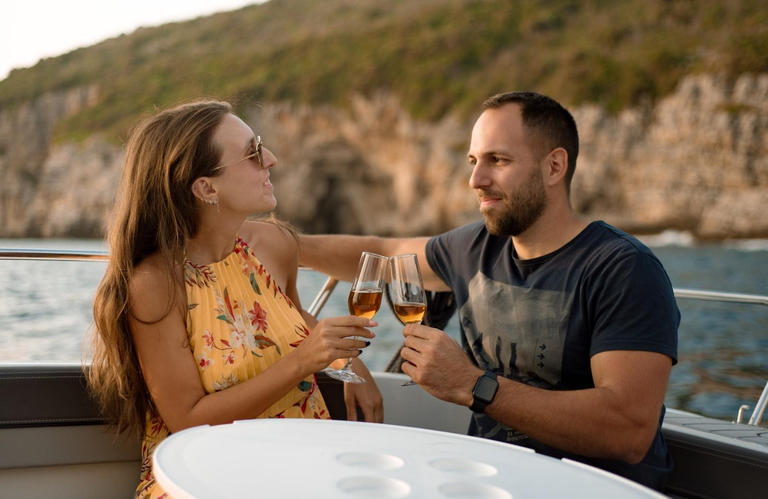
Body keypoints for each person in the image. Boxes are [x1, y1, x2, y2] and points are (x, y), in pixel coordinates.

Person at [299, 91, 680, 491]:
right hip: (485, 482)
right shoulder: (475, 248)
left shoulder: (623, 269)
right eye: (473, 161)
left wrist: (473, 385)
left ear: (554, 166)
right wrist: (283, 242)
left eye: (497, 160)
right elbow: (385, 251)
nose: (476, 180)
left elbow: (628, 430)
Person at [87, 99, 383, 499]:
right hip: (205, 481)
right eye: (253, 154)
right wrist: (302, 361)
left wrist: (350, 365)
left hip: (303, 470)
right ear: (206, 188)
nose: (272, 160)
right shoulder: (154, 284)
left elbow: (293, 321)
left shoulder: (275, 245)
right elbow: (188, 421)